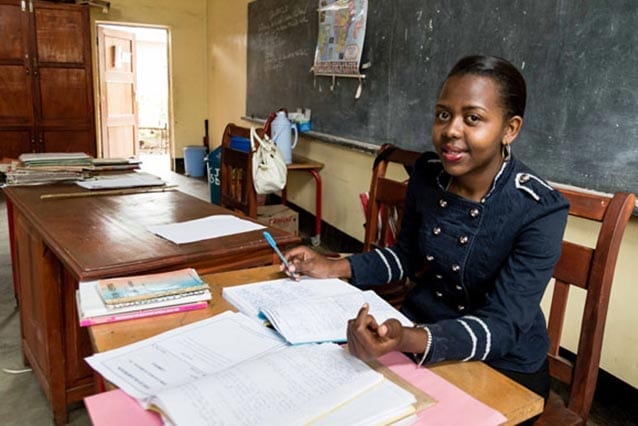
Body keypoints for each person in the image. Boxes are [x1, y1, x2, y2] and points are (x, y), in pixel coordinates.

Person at [282, 55, 569, 404]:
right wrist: (330, 266)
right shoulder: (427, 173)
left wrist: (410, 339)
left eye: (473, 118)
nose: (451, 130)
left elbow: (502, 327)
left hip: (501, 367)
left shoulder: (538, 208)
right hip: (417, 334)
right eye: (443, 114)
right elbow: (406, 255)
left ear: (510, 129)